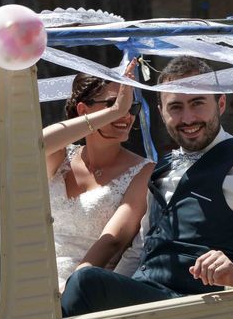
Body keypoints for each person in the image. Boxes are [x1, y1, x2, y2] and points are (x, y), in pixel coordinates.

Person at [61, 56, 233, 316]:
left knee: (85, 282)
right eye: (175, 107)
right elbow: (139, 250)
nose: (188, 118)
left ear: (221, 103)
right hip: (148, 298)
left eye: (197, 103)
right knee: (79, 283)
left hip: (194, 308)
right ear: (161, 113)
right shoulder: (161, 168)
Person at [43, 59, 154, 291]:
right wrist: (114, 112)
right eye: (114, 103)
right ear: (83, 110)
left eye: (130, 107)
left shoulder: (144, 170)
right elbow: (37, 143)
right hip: (35, 277)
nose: (126, 116)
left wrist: (69, 292)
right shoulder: (60, 156)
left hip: (84, 287)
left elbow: (113, 241)